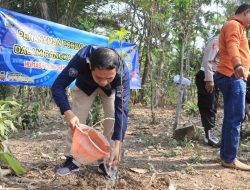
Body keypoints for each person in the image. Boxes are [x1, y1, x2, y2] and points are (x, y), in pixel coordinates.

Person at [51, 45, 130, 177]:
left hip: (110, 91)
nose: (103, 82)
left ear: (116, 70)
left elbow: (122, 109)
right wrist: (67, 112)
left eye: (109, 78)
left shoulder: (123, 74)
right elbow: (58, 86)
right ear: (90, 66)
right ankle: (72, 159)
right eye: (99, 77)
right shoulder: (82, 59)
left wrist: (118, 143)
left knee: (113, 119)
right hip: (85, 86)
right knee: (77, 118)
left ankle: (107, 162)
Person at [214, 3, 250, 171]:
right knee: (236, 117)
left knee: (231, 117)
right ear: (246, 12)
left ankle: (225, 155)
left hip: (232, 75)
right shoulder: (234, 24)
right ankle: (230, 158)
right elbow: (232, 45)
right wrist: (237, 66)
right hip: (232, 75)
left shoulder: (238, 27)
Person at [195, 35, 220, 147]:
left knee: (213, 106)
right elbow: (207, 61)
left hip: (215, 76)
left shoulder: (226, 41)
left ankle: (210, 134)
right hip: (206, 75)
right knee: (207, 106)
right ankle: (208, 136)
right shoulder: (216, 40)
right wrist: (209, 79)